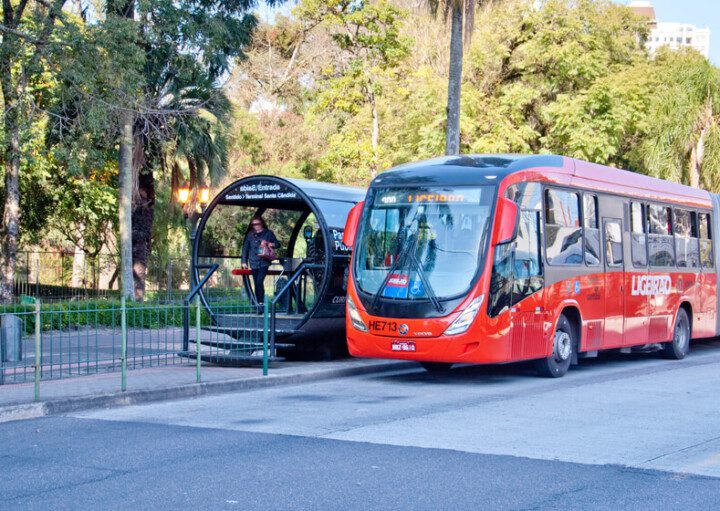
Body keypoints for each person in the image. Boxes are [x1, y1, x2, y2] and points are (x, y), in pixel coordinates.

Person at [241, 215, 279, 308]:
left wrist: (270, 244)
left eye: (257, 224)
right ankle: (259, 304)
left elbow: (278, 244)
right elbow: (245, 248)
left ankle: (261, 303)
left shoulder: (268, 233)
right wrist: (243, 261)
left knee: (259, 281)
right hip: (253, 261)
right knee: (256, 283)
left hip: (264, 261)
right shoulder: (250, 235)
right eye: (253, 224)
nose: (256, 226)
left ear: (262, 223)